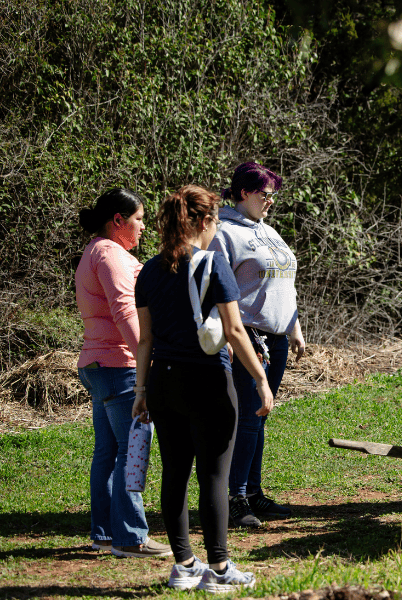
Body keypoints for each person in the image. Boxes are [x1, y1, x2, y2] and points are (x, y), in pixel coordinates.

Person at [132, 184, 273, 592]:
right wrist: (261, 379)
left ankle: (184, 566)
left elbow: (145, 340)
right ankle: (221, 569)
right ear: (204, 221)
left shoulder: (149, 270)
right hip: (208, 379)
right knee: (214, 475)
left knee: (174, 471)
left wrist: (141, 391)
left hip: (163, 380)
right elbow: (233, 330)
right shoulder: (213, 263)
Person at [75, 188, 172, 559]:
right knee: (132, 450)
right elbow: (126, 313)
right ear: (118, 220)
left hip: (99, 365)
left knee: (108, 451)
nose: (144, 227)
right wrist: (145, 367)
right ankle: (130, 538)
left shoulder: (96, 251)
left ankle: (104, 534)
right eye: (139, 219)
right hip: (119, 367)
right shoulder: (111, 256)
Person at [208, 162, 305, 528]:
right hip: (248, 335)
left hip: (277, 337)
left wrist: (295, 326)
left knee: (259, 417)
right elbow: (218, 288)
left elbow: (283, 284)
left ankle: (253, 492)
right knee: (247, 418)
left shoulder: (268, 231)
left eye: (273, 196)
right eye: (265, 195)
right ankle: (234, 499)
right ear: (244, 192)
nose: (270, 202)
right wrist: (231, 335)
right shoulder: (225, 232)